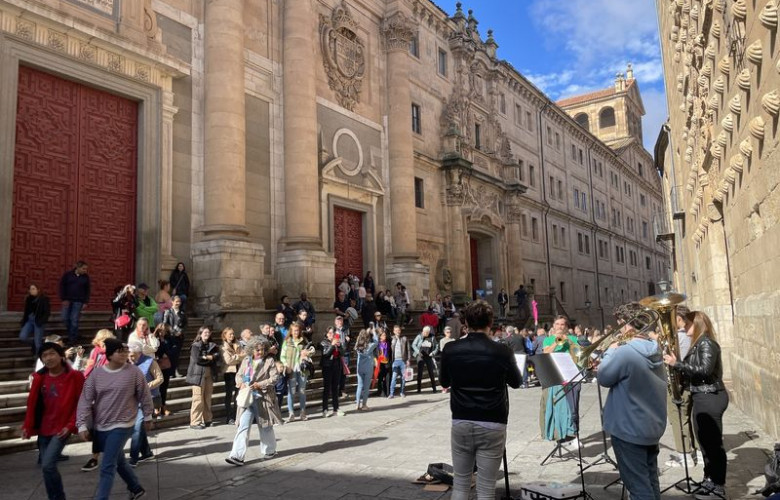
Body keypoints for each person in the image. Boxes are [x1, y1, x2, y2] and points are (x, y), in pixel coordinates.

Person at [440, 300, 522, 500]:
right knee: (486, 489)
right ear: (490, 322)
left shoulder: (451, 349)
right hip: (492, 422)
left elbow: (444, 381)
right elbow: (516, 382)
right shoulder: (502, 351)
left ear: (466, 323)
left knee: (460, 485)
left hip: (461, 419)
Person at [597, 322, 668, 500]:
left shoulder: (625, 352)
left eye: (620, 325)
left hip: (628, 427)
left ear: (628, 326)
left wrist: (611, 351)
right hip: (650, 424)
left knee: (638, 488)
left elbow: (604, 377)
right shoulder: (655, 348)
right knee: (651, 481)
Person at [76, 338, 152, 500]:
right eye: (120, 351)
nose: (125, 354)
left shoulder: (134, 372)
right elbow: (85, 399)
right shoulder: (97, 374)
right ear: (109, 355)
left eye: (125, 350)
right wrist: (81, 424)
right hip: (101, 425)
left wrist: (147, 415)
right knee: (119, 461)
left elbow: (144, 395)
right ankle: (136, 488)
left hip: (124, 424)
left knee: (107, 465)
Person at [664, 311, 729, 499]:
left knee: (713, 445)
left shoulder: (707, 343)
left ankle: (718, 486)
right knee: (704, 442)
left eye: (687, 324)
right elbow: (693, 370)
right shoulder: (698, 343)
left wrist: (677, 364)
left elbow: (705, 370)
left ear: (698, 324)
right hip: (701, 395)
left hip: (710, 396)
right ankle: (709, 480)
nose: (684, 327)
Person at [22, 342, 85, 500]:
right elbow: (32, 404)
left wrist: (71, 425)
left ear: (61, 355)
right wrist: (27, 426)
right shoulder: (39, 377)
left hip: (62, 428)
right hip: (44, 428)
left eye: (52, 353)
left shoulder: (75, 376)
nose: (48, 358)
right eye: (44, 355)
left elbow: (82, 403)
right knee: (47, 468)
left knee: (48, 464)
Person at [225, 337, 283, 465]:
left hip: (263, 399)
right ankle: (237, 456)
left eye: (262, 349)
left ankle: (269, 450)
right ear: (252, 350)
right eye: (257, 350)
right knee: (243, 426)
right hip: (247, 399)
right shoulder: (246, 360)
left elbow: (275, 378)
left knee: (265, 426)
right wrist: (241, 383)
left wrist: (259, 384)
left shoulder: (269, 360)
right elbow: (239, 375)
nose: (260, 352)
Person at [665, 305, 699, 468]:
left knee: (678, 417)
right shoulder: (694, 335)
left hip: (680, 384)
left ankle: (684, 456)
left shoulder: (680, 337)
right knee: (691, 417)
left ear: (678, 319)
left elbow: (677, 361)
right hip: (692, 383)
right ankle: (698, 453)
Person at [539, 316, 581, 447]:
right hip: (554, 376)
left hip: (570, 375)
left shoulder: (573, 339)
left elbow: (579, 355)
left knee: (572, 406)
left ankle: (574, 435)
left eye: (562, 324)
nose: (560, 327)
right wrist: (556, 342)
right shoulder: (548, 339)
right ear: (553, 326)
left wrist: (569, 341)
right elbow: (545, 353)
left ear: (566, 326)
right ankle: (558, 435)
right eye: (557, 324)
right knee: (555, 406)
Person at [127, 342, 163, 467]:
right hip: (135, 400)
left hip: (149, 399)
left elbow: (160, 378)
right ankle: (146, 452)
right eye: (129, 355)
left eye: (132, 355)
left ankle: (133, 458)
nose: (130, 358)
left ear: (139, 353)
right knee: (139, 427)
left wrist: (147, 386)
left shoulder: (150, 362)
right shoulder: (129, 364)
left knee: (137, 427)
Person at [186, 326, 219, 430]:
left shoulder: (212, 345)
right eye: (205, 332)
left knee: (207, 398)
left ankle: (207, 419)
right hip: (197, 374)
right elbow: (198, 360)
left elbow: (217, 357)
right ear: (200, 334)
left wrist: (208, 357)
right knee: (198, 398)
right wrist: (210, 358)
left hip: (209, 373)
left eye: (208, 332)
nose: (207, 334)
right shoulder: (195, 346)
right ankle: (195, 421)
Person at [280, 322, 311, 422]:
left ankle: (303, 412)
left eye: (297, 330)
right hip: (291, 369)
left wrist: (307, 353)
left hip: (302, 369)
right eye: (294, 331)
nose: (296, 332)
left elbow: (311, 350)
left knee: (302, 390)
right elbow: (282, 356)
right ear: (291, 331)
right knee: (291, 391)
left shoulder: (303, 340)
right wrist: (286, 365)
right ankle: (291, 413)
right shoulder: (287, 342)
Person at [58, 261, 90, 345]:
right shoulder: (68, 275)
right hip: (67, 300)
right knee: (65, 318)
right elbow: (62, 286)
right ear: (78, 268)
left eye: (86, 269)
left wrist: (86, 301)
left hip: (78, 301)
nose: (85, 270)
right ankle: (74, 334)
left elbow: (87, 290)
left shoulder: (86, 277)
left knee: (74, 320)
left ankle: (72, 339)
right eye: (83, 269)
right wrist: (63, 298)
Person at [221, 328, 245, 425]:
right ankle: (229, 416)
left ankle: (236, 415)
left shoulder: (238, 344)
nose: (232, 336)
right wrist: (239, 357)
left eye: (233, 334)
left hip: (239, 371)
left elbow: (244, 355)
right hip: (229, 372)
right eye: (230, 334)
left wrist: (236, 357)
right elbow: (228, 361)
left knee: (238, 394)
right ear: (225, 335)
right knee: (229, 394)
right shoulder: (223, 346)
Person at [320, 327, 345, 417]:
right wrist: (332, 345)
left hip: (336, 366)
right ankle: (325, 409)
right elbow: (325, 354)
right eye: (330, 333)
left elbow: (343, 353)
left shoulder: (337, 341)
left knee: (335, 388)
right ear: (326, 334)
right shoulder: (323, 342)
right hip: (327, 367)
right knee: (327, 388)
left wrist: (339, 346)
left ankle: (336, 408)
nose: (332, 335)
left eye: (333, 333)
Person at [20, 283, 51, 355]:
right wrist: (23, 320)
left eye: (33, 289)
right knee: (22, 337)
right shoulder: (28, 299)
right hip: (29, 321)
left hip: (38, 321)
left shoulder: (44, 299)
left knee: (38, 344)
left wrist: (42, 321)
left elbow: (47, 312)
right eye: (30, 289)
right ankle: (33, 343)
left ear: (38, 290)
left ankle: (38, 357)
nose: (31, 290)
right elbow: (26, 311)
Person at [354, 328, 379, 411]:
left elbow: (358, 342)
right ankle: (364, 404)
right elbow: (376, 342)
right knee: (366, 387)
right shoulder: (369, 346)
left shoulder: (357, 346)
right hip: (368, 367)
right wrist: (374, 332)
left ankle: (357, 404)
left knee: (359, 386)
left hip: (360, 368)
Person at [154, 324, 175, 417]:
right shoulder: (154, 339)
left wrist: (167, 354)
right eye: (160, 330)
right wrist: (160, 355)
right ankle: (156, 407)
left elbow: (174, 348)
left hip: (166, 365)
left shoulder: (168, 339)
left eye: (164, 331)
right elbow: (153, 350)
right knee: (157, 387)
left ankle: (163, 406)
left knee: (164, 387)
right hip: (156, 365)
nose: (162, 332)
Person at [162, 296, 186, 376]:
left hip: (179, 337)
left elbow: (185, 324)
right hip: (169, 337)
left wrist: (181, 331)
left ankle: (176, 371)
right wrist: (172, 331)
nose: (178, 303)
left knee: (177, 354)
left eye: (179, 301)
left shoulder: (182, 313)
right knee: (171, 354)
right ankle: (171, 371)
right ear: (172, 302)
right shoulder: (167, 312)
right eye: (176, 301)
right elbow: (165, 324)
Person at [412, 326, 438, 393]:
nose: (424, 333)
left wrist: (433, 353)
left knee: (431, 372)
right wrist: (418, 352)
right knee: (420, 372)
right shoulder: (419, 336)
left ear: (428, 332)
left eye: (426, 332)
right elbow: (413, 344)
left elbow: (436, 346)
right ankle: (418, 389)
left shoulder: (432, 337)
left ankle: (434, 388)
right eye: (423, 332)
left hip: (429, 356)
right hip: (420, 356)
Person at [388, 324, 411, 398]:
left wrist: (408, 359)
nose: (398, 332)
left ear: (400, 331)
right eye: (396, 330)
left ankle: (402, 392)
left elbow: (408, 350)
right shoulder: (391, 339)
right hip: (395, 361)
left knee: (403, 378)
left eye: (399, 330)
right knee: (394, 377)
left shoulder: (404, 338)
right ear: (394, 331)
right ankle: (391, 393)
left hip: (403, 361)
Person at [375, 329, 391, 397]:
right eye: (383, 335)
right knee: (381, 378)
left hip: (387, 362)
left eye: (385, 335)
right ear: (380, 336)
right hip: (380, 363)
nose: (385, 336)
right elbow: (375, 354)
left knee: (388, 378)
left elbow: (390, 353)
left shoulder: (388, 343)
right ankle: (381, 392)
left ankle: (388, 392)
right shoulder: (377, 345)